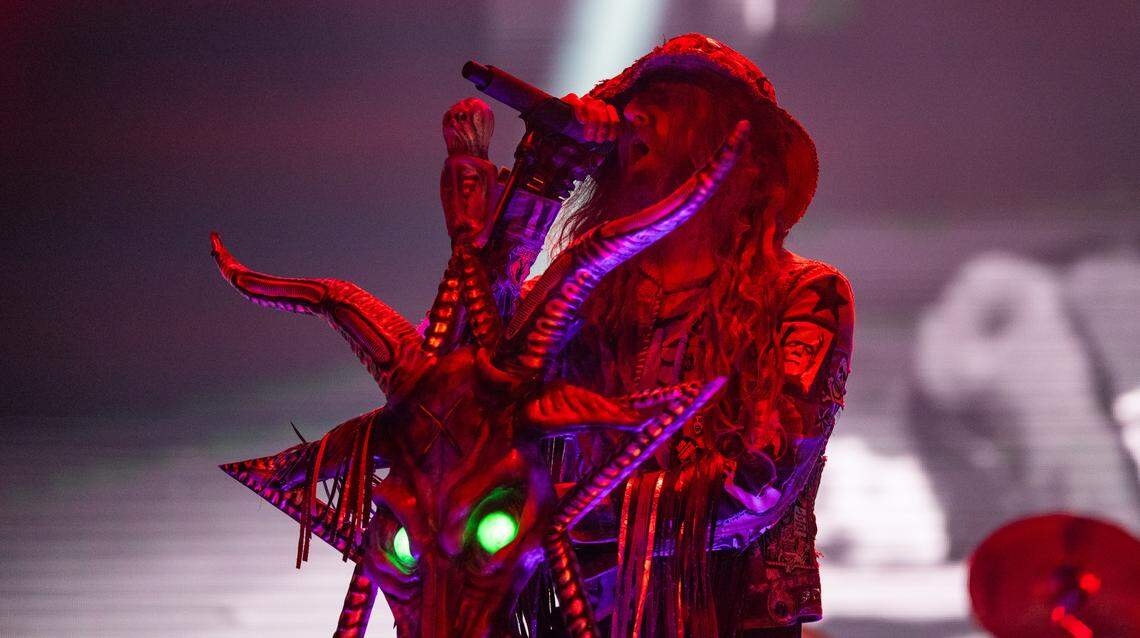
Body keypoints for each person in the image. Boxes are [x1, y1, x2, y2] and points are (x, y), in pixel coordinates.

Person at [447, 34, 854, 637]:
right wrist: (539, 180)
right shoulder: (577, 293)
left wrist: (544, 511)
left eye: (674, 101)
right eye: (634, 102)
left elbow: (754, 492)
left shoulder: (805, 294)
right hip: (578, 617)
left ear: (741, 150)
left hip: (726, 621)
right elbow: (465, 386)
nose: (638, 116)